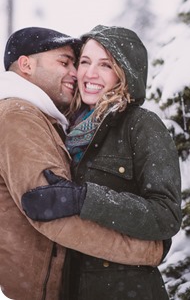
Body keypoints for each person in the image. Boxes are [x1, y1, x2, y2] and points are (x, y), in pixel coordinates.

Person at [0, 26, 164, 300]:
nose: (76, 73)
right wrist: (146, 250)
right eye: (64, 62)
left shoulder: (49, 120)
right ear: (26, 65)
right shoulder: (18, 115)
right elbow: (49, 209)